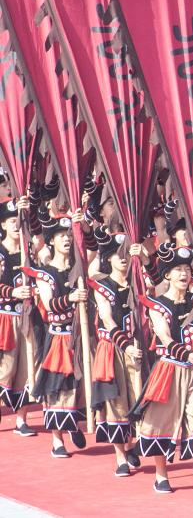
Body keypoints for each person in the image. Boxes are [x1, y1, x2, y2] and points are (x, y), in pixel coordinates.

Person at [133, 243, 193, 496]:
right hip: (169, 370)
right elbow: (164, 337)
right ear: (167, 275)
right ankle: (160, 476)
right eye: (178, 270)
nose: (184, 273)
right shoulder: (157, 305)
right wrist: (187, 354)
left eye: (187, 269)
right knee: (161, 421)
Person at [29, 212, 88, 458]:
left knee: (79, 384)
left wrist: (81, 223)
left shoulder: (78, 268)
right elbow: (49, 304)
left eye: (68, 235)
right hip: (58, 338)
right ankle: (57, 440)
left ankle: (72, 422)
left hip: (81, 335)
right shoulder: (46, 273)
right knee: (57, 386)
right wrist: (71, 298)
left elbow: (94, 250)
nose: (66, 239)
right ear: (52, 241)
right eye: (61, 235)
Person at [90, 228, 143, 476]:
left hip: (137, 347)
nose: (122, 258)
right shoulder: (102, 287)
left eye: (126, 253)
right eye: (117, 254)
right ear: (109, 258)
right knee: (117, 402)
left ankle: (131, 445)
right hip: (113, 348)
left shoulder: (137, 282)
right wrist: (126, 345)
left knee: (139, 398)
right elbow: (108, 320)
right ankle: (120, 456)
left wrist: (143, 257)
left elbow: (158, 286)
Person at [0, 197, 36, 435]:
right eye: (11, 221)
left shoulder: (27, 250)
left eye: (18, 220)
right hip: (5, 317)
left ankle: (21, 420)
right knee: (5, 368)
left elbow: (41, 244)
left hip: (27, 318)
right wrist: (12, 292)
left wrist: (28, 211)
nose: (15, 225)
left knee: (26, 369)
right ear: (3, 225)